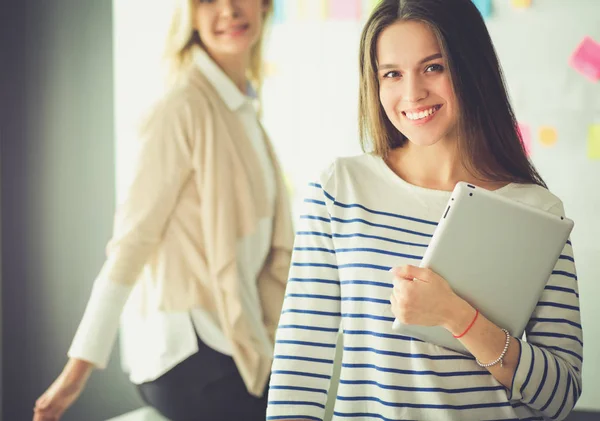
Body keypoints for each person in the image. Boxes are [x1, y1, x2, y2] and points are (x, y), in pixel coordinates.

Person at [265, 0, 583, 420]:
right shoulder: (339, 190)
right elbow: (299, 368)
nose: (412, 93)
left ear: (469, 68)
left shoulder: (538, 211)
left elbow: (559, 395)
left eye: (434, 67)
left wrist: (457, 316)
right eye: (392, 74)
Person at [33, 1, 293, 420]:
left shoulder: (245, 110)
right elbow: (132, 242)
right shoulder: (181, 107)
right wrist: (76, 372)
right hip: (188, 352)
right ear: (190, 14)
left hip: (236, 341)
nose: (228, 9)